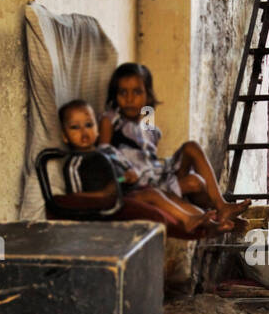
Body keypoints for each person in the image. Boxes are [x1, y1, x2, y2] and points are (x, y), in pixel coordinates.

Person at [99, 63, 251, 234]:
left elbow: (151, 158)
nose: (129, 98)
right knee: (192, 188)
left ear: (147, 96)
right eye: (123, 92)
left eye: (137, 92)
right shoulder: (111, 120)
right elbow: (104, 153)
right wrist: (124, 172)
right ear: (115, 95)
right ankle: (213, 221)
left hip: (158, 177)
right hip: (139, 184)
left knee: (193, 159)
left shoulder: (147, 126)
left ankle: (221, 207)